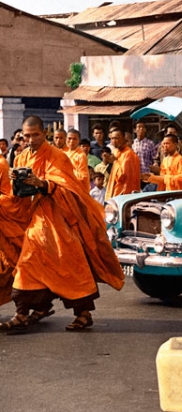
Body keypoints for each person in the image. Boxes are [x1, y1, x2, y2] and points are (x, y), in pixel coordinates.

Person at [0, 115, 125, 332]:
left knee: (67, 264)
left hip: (57, 216)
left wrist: (44, 184)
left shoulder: (57, 156)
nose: (30, 140)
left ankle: (81, 313)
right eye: (26, 136)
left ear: (44, 134)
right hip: (35, 216)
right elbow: (17, 193)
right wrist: (15, 179)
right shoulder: (21, 158)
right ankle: (26, 312)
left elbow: (69, 187)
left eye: (35, 135)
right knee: (31, 262)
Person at [103, 128, 141, 199]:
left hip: (124, 194)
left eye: (117, 138)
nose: (114, 141)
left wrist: (115, 161)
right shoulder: (116, 151)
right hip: (115, 192)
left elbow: (122, 176)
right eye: (112, 138)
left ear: (124, 139)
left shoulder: (128, 154)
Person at [132, 121, 158, 189]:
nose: (141, 129)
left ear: (145, 130)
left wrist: (155, 166)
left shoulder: (150, 143)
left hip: (146, 176)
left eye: (143, 127)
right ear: (135, 130)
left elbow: (155, 159)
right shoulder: (132, 144)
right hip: (135, 176)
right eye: (139, 127)